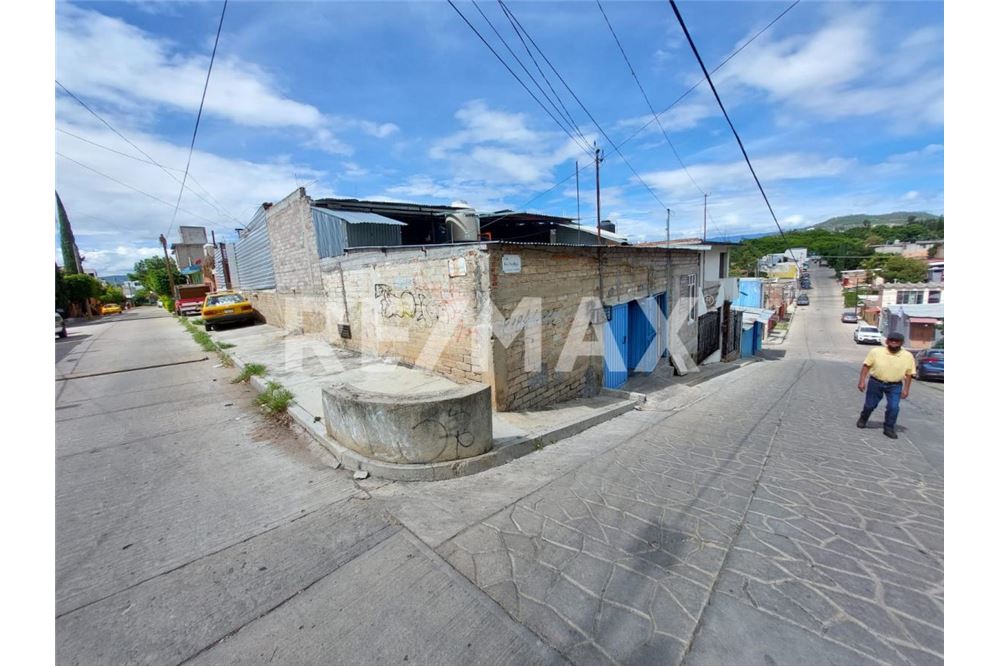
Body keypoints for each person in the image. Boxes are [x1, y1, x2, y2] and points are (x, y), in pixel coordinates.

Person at [856, 332, 916, 439]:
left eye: (897, 341)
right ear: (887, 341)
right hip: (876, 382)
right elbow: (866, 366)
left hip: (895, 386)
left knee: (893, 407)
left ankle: (889, 428)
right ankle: (863, 418)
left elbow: (909, 374)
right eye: (891, 340)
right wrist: (862, 381)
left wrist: (906, 389)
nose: (893, 342)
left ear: (901, 343)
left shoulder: (908, 356)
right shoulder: (876, 352)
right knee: (870, 405)